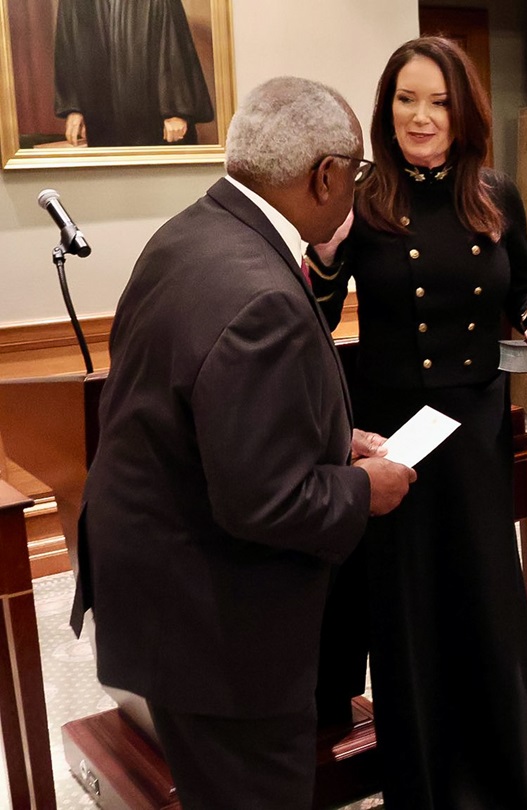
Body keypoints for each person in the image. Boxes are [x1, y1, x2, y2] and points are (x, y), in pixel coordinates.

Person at [70, 76, 415, 808]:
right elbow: (266, 501)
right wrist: (365, 487)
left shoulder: (191, 233)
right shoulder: (262, 296)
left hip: (159, 600)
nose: (354, 192)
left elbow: (205, 408)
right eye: (353, 174)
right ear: (325, 175)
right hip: (218, 630)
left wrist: (329, 434)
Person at [306, 36, 527, 809]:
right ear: (387, 109)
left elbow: (524, 286)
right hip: (395, 433)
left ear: (465, 111)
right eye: (407, 99)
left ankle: (499, 778)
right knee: (410, 607)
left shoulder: (494, 192)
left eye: (439, 100)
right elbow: (311, 320)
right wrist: (322, 256)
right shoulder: (360, 196)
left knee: (484, 596)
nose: (422, 116)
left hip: (477, 425)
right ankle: (422, 785)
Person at [53, 0, 215, 146]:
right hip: (101, 116)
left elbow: (173, 42)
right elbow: (67, 44)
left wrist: (176, 110)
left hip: (155, 117)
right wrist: (75, 107)